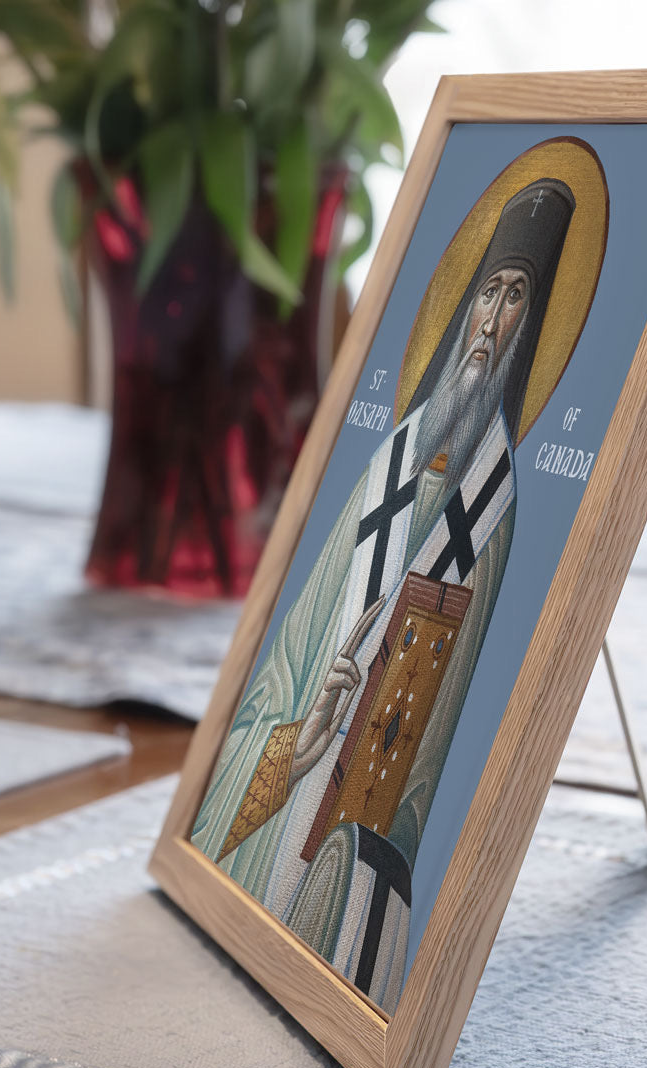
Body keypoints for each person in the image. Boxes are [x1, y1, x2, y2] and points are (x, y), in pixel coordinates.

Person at [191, 177, 575, 1012]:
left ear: (528, 330)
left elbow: (436, 771)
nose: (490, 319)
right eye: (486, 294)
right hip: (280, 820)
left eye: (516, 300)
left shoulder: (493, 510)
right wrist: (298, 743)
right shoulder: (384, 470)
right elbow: (281, 674)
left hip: (353, 851)